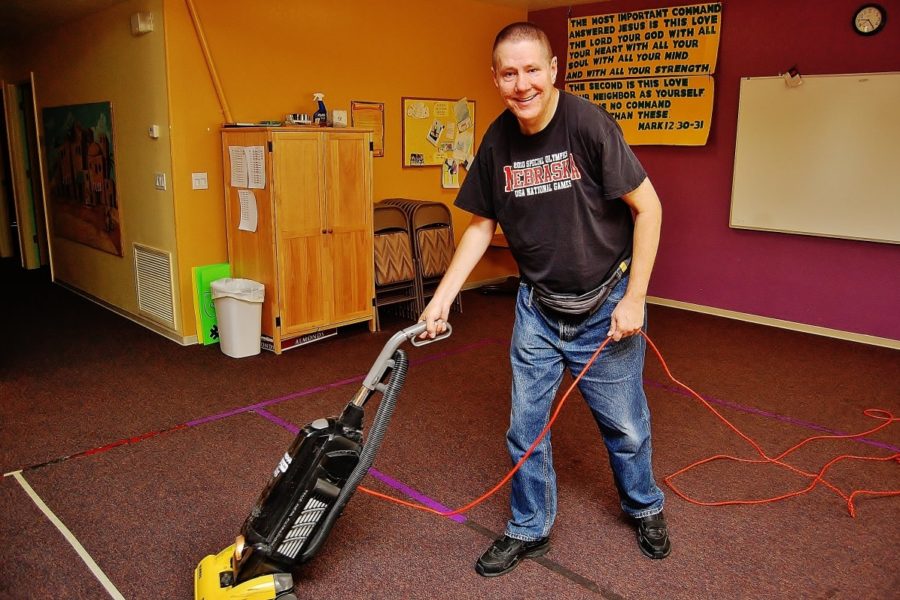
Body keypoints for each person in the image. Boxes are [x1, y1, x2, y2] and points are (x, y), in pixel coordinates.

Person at [419, 22, 669, 577]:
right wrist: (441, 299)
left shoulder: (587, 125)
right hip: (537, 310)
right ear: (496, 78)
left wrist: (636, 299)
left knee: (625, 428)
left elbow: (648, 209)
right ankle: (529, 527)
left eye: (533, 69)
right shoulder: (496, 140)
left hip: (605, 306)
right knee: (524, 428)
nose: (522, 83)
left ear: (554, 70)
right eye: (509, 73)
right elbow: (481, 227)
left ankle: (645, 506)